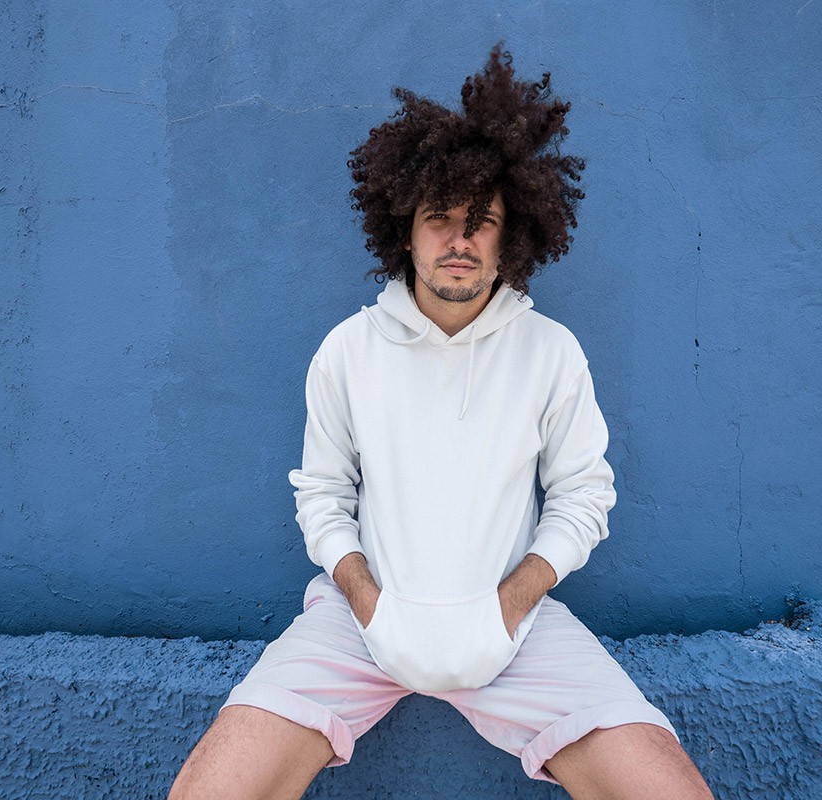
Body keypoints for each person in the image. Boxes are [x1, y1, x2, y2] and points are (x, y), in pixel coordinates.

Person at [169, 46, 713, 800]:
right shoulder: (348, 350)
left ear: (510, 236)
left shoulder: (551, 352)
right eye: (440, 220)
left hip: (516, 635)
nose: (459, 241)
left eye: (481, 223)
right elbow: (322, 495)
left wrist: (506, 609)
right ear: (405, 230)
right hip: (358, 632)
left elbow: (584, 496)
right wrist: (372, 606)